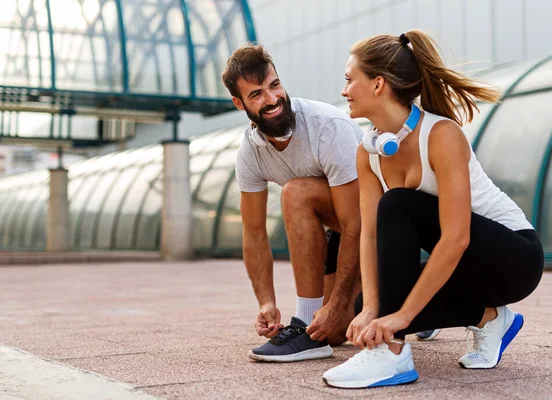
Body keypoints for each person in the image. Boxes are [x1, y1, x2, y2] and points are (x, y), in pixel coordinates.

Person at [322, 30, 544, 388]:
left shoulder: (441, 135)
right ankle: (488, 317)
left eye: (350, 80)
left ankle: (391, 354)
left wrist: (401, 317)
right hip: (464, 268)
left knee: (398, 204)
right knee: (371, 301)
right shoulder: (370, 152)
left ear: (378, 84)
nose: (345, 90)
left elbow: (456, 238)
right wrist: (371, 309)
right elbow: (371, 233)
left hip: (514, 259)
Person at [221, 43, 364, 362]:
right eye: (256, 94)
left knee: (296, 192)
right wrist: (266, 302)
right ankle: (378, 308)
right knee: (334, 332)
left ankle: (303, 324)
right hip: (339, 232)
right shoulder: (250, 153)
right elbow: (254, 231)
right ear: (238, 102)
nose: (271, 99)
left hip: (378, 224)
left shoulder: (327, 127)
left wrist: (336, 303)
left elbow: (357, 222)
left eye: (274, 86)